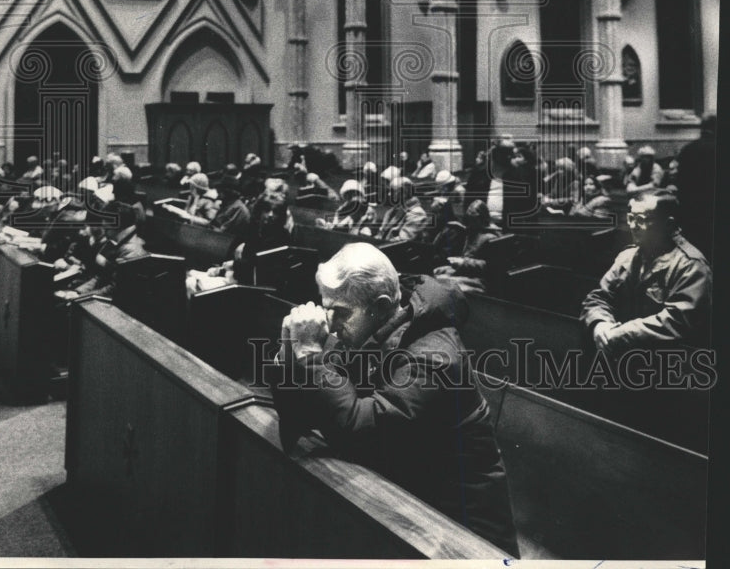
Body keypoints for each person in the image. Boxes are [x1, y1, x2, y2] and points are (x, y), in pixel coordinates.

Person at [269, 243, 519, 556]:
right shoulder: (363, 331)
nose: (330, 324)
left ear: (382, 304)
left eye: (340, 312)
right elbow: (305, 417)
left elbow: (359, 430)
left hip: (462, 536)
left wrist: (311, 358)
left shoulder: (435, 357)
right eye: (326, 309)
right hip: (406, 499)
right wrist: (289, 356)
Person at [580, 192, 712, 356]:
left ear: (668, 224)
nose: (633, 225)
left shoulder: (691, 266)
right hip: (621, 354)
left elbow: (676, 321)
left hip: (669, 364)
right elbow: (599, 297)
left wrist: (619, 333)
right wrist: (600, 324)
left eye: (641, 219)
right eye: (631, 218)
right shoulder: (628, 257)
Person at [676, 114, 716, 261]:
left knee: (694, 255)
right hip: (712, 210)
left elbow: (680, 182)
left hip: (691, 210)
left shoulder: (688, 149)